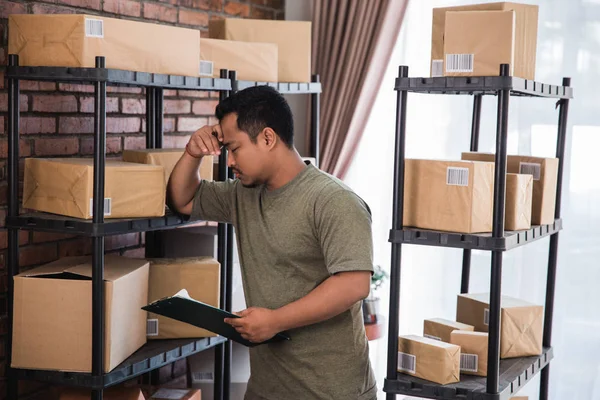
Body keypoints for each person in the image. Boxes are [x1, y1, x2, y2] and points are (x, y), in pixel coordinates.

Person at [167, 85, 377, 400]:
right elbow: (182, 200)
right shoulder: (242, 194)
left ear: (267, 138)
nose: (229, 161)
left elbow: (354, 285)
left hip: (331, 392)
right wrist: (192, 152)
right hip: (267, 388)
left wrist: (275, 321)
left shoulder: (334, 200)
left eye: (234, 149)